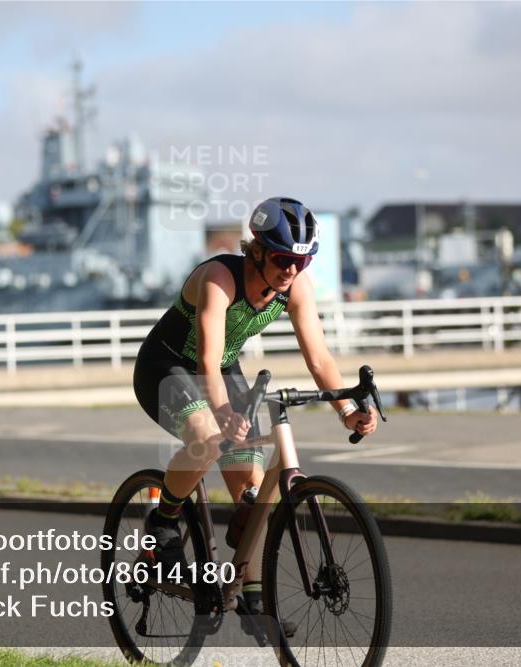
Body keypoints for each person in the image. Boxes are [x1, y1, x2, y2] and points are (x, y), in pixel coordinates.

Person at [132, 196, 378, 630]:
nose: (291, 270)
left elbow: (319, 358)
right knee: (207, 438)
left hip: (222, 369)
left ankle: (251, 596)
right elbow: (205, 359)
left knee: (253, 489)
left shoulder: (295, 286)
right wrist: (223, 412)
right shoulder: (219, 278)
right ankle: (163, 519)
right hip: (167, 366)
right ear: (258, 250)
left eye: (302, 262)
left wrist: (345, 409)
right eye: (284, 258)